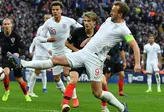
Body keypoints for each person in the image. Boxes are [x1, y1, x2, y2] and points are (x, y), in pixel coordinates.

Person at [8, 1, 141, 112]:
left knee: (98, 93)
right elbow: (101, 36)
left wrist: (137, 63)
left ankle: (122, 108)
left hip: (95, 60)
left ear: (120, 14)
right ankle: (22, 63)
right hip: (84, 53)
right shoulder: (108, 20)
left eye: (113, 10)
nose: (110, 12)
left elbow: (135, 46)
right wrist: (88, 41)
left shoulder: (124, 29)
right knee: (55, 60)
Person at [33, 1, 82, 107]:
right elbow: (39, 38)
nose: (55, 11)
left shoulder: (69, 21)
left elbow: (81, 28)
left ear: (61, 11)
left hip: (66, 49)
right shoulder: (48, 23)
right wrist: (47, 39)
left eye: (57, 9)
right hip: (55, 51)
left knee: (66, 73)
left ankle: (74, 98)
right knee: (56, 78)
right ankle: (66, 96)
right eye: (53, 10)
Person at [65, 11, 110, 111]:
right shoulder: (77, 31)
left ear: (94, 22)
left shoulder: (100, 33)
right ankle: (65, 104)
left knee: (103, 83)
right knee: (73, 79)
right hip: (79, 59)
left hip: (93, 61)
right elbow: (67, 43)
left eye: (89, 21)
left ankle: (104, 107)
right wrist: (78, 51)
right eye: (84, 20)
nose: (86, 23)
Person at [0, 18, 31, 102]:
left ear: (11, 25)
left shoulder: (16, 36)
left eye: (8, 24)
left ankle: (26, 95)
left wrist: (18, 54)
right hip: (5, 58)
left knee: (19, 80)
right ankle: (7, 91)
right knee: (5, 73)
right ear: (2, 26)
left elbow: (23, 47)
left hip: (15, 59)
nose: (6, 26)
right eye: (5, 24)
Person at [27, 14, 52, 97]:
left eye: (48, 18)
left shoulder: (54, 28)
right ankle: (30, 91)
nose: (47, 19)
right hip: (41, 54)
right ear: (44, 19)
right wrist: (48, 50)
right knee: (36, 72)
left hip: (50, 54)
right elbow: (38, 41)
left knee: (56, 72)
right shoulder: (41, 29)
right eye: (46, 18)